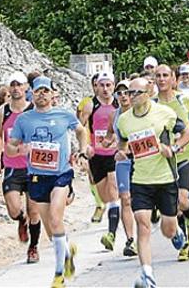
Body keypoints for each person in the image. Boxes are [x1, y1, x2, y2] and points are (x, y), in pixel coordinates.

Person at [6, 76, 88, 288]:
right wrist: (20, 149)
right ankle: (66, 251)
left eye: (45, 90)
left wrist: (82, 151)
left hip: (61, 173)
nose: (41, 94)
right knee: (52, 229)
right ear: (31, 93)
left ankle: (59, 273)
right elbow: (10, 147)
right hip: (36, 176)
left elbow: (81, 131)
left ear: (53, 94)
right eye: (37, 90)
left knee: (54, 216)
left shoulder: (64, 115)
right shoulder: (24, 120)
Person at [115, 78, 189, 288]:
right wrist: (121, 153)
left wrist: (173, 148)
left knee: (167, 229)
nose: (130, 97)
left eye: (135, 93)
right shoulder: (124, 119)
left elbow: (186, 133)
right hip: (140, 179)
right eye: (129, 93)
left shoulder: (164, 113)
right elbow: (122, 141)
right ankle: (147, 274)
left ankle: (177, 232)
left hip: (165, 178)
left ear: (148, 93)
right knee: (143, 223)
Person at [153, 65, 189, 261]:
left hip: (184, 156)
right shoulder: (152, 104)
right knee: (172, 207)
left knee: (182, 199)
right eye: (158, 76)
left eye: (165, 75)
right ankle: (185, 243)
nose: (162, 79)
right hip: (163, 161)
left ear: (174, 78)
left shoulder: (184, 99)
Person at [0, 72, 42, 263]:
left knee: (34, 211)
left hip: (33, 167)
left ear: (26, 88)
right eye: (12, 85)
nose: (15, 88)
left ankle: (33, 247)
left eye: (19, 85)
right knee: (13, 209)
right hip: (12, 167)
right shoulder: (2, 111)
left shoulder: (33, 110)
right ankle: (21, 220)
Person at [79, 72, 122, 251]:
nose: (105, 89)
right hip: (96, 155)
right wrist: (84, 148)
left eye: (109, 85)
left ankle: (111, 234)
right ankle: (114, 212)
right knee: (104, 196)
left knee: (113, 192)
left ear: (113, 86)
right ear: (96, 86)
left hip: (114, 153)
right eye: (102, 85)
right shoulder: (90, 105)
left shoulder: (118, 104)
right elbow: (80, 128)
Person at [102, 79, 137, 257]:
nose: (123, 96)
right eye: (120, 93)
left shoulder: (139, 112)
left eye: (126, 92)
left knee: (143, 197)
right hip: (122, 159)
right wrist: (107, 142)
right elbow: (109, 134)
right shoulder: (114, 115)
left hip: (141, 159)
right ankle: (130, 239)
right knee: (125, 198)